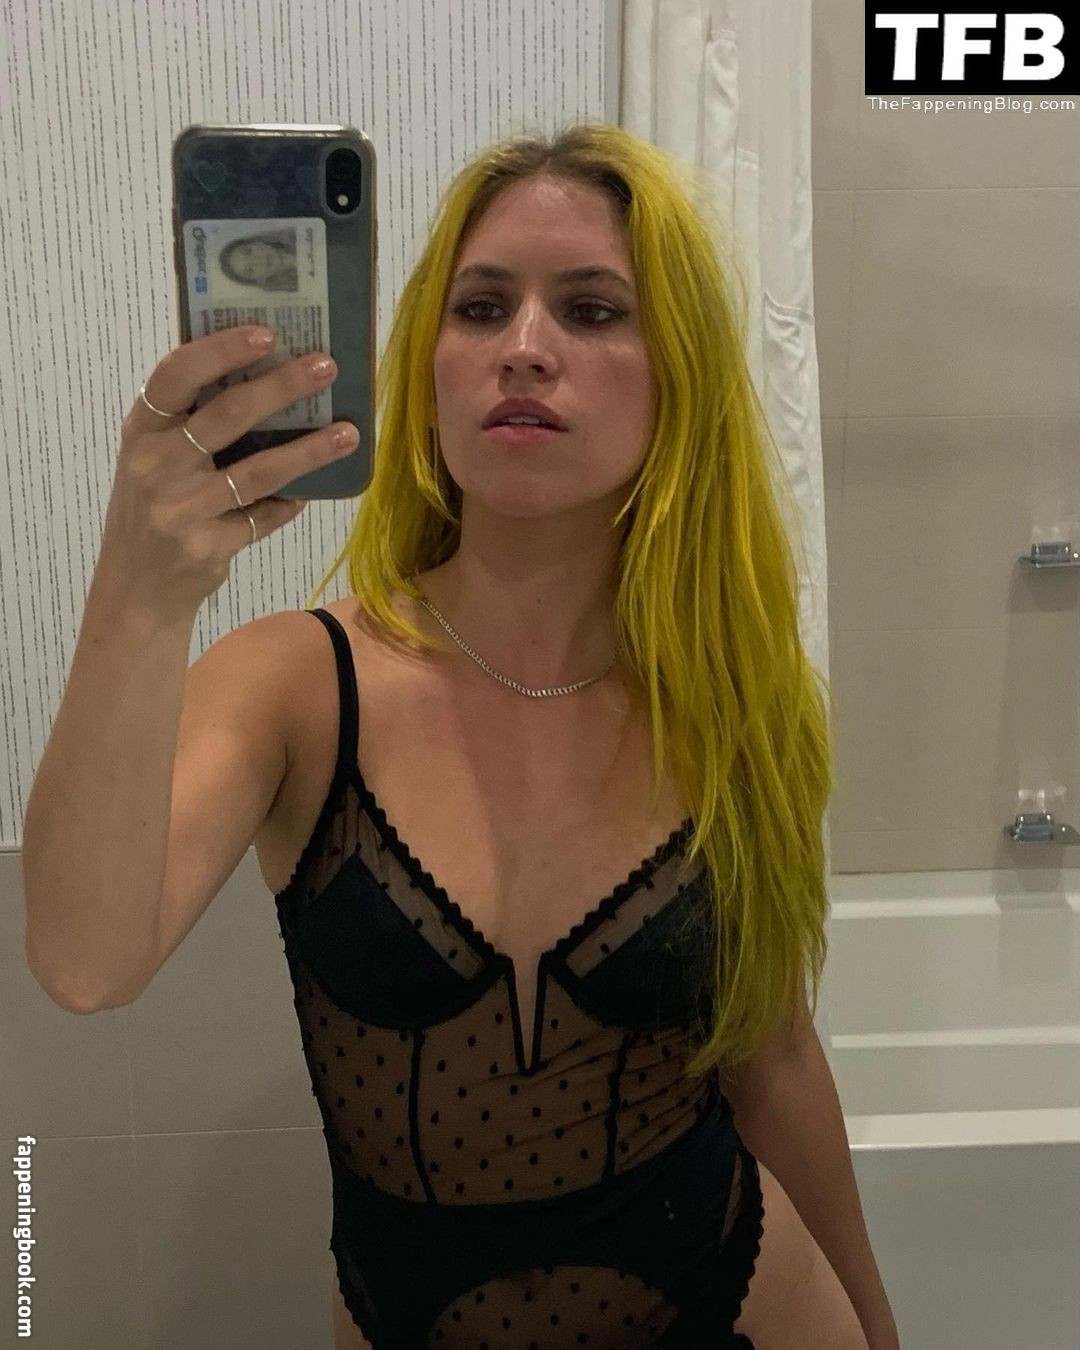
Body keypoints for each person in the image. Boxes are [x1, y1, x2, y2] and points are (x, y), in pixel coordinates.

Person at [25, 122, 875, 1349]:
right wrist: (140, 590)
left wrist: (882, 1325)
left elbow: (774, 1055)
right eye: (481, 308)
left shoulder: (722, 697)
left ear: (676, 376)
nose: (524, 346)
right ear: (427, 367)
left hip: (748, 1308)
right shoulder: (298, 686)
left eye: (591, 310)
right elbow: (84, 965)